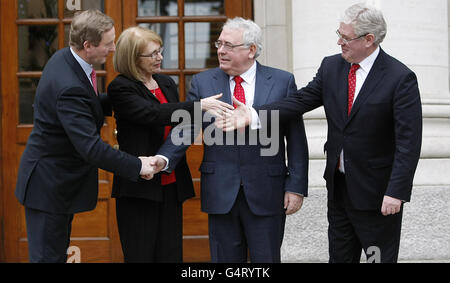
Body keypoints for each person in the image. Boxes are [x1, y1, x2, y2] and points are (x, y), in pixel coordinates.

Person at [219, 3, 422, 263]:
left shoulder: (400, 78)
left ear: (369, 39)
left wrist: (396, 191)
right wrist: (254, 114)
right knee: (339, 257)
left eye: (346, 37)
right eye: (338, 34)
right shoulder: (332, 67)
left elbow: (409, 143)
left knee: (377, 258)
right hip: (339, 189)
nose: (339, 42)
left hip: (378, 196)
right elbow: (300, 100)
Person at [153, 17, 309, 263]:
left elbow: (296, 139)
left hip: (268, 191)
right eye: (219, 44)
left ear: (251, 50)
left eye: (228, 45)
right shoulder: (204, 82)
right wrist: (163, 158)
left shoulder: (282, 81)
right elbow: (188, 125)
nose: (221, 51)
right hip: (220, 190)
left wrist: (296, 186)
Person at [14, 10, 160, 263]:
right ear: (88, 45)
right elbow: (91, 148)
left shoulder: (65, 58)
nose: (113, 48)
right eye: (108, 43)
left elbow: (87, 105)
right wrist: (137, 164)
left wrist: (129, 100)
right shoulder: (68, 84)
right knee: (49, 258)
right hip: (49, 187)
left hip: (54, 183)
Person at [107, 26, 233, 262]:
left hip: (170, 181)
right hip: (139, 186)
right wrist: (197, 106)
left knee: (170, 253)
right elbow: (152, 113)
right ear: (133, 58)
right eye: (152, 54)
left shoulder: (165, 83)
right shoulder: (121, 87)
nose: (160, 58)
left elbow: (179, 125)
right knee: (141, 254)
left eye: (160, 51)